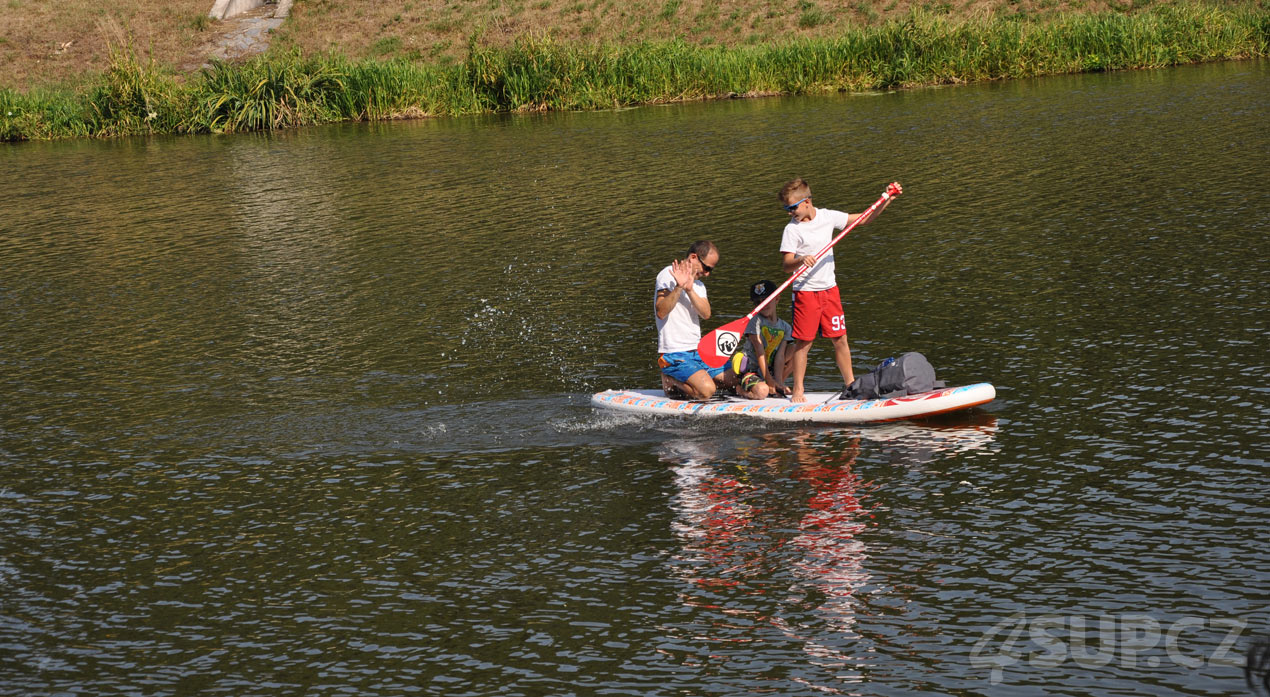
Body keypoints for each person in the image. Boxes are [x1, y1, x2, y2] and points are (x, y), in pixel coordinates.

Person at [778, 178, 900, 402]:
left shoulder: (827, 217)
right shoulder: (791, 230)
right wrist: (800, 259)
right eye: (787, 209)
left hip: (830, 291)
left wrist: (888, 199)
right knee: (804, 343)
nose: (789, 212)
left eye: (792, 207)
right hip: (805, 293)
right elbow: (786, 265)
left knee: (840, 339)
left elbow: (863, 219)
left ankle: (851, 385)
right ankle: (798, 390)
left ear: (807, 202)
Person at [655, 241, 725, 400]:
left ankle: (696, 379)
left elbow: (706, 314)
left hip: (698, 352)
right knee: (707, 390)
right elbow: (661, 312)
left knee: (734, 378)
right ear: (694, 257)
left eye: (711, 270)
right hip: (674, 353)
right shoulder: (668, 274)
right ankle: (670, 378)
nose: (707, 274)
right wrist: (679, 287)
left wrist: (690, 289)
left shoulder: (699, 285)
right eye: (706, 268)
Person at [731, 279, 793, 398]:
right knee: (761, 391)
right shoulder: (754, 321)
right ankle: (739, 389)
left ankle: (776, 385)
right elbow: (760, 352)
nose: (762, 305)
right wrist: (768, 380)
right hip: (751, 370)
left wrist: (778, 382)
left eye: (766, 300)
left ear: (776, 299)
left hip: (769, 368)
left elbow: (780, 356)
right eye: (758, 302)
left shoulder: (785, 327)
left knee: (795, 350)